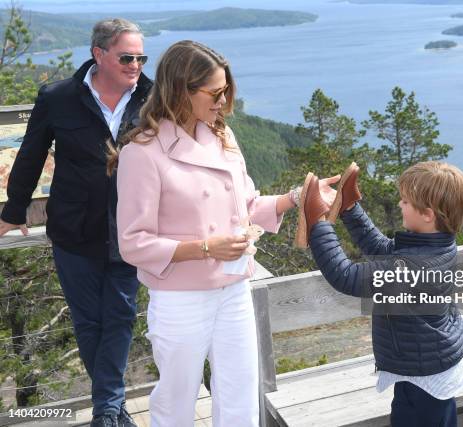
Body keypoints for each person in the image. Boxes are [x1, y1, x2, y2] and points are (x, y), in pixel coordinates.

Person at [113, 40, 336, 427]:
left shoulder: (222, 137)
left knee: (241, 396)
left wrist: (298, 197)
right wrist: (204, 248)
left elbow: (246, 206)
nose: (224, 102)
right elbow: (133, 243)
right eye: (216, 94)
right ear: (182, 89)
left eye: (227, 91)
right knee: (176, 402)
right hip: (180, 299)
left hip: (234, 290)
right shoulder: (143, 153)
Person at [0, 18, 152, 427]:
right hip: (72, 228)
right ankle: (114, 410)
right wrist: (12, 213)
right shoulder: (59, 97)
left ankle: (105, 411)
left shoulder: (153, 98)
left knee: (120, 315)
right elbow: (30, 155)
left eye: (141, 56)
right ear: (98, 54)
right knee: (89, 321)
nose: (136, 64)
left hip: (131, 229)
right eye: (126, 56)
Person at [297, 161, 463, 427]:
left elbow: (346, 276)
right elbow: (381, 248)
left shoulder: (415, 267)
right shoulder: (437, 245)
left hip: (423, 380)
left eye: (405, 201)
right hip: (429, 367)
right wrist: (350, 210)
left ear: (427, 215)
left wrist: (319, 226)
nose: (400, 205)